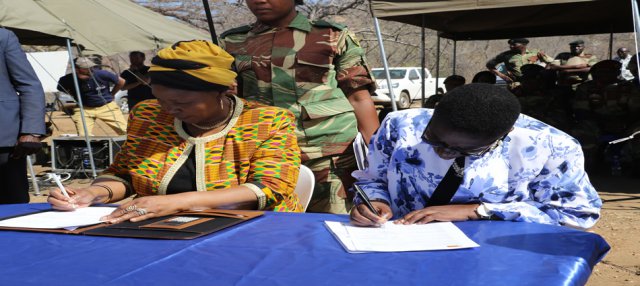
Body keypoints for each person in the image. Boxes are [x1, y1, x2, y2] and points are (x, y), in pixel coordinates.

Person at [48, 40, 303, 220]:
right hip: (161, 228)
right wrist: (94, 192)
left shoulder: (266, 121)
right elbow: (124, 174)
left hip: (254, 228)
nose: (169, 110)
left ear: (225, 90)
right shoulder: (148, 115)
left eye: (183, 103)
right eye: (162, 100)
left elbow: (271, 187)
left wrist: (176, 202)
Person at [350, 83, 601, 229]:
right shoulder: (401, 125)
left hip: (491, 256)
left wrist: (477, 211)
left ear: (504, 135)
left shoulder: (553, 147)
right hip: (398, 246)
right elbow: (373, 179)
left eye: (465, 151)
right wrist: (374, 201)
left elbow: (577, 214)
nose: (443, 153)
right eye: (434, 139)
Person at [219, 0, 379, 214]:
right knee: (269, 230)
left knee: (336, 226)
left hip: (329, 157)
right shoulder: (231, 42)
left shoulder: (332, 36)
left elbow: (359, 97)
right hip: (264, 156)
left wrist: (379, 157)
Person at [0, 28, 46, 204]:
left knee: (9, 205)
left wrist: (32, 131)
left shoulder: (4, 37)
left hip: (3, 142)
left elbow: (29, 85)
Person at [57, 57, 127, 136]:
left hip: (107, 107)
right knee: (84, 136)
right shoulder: (68, 79)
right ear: (77, 69)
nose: (90, 69)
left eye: (91, 66)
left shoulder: (102, 74)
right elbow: (60, 87)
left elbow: (121, 81)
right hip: (84, 109)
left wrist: (112, 93)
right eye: (86, 68)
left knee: (125, 131)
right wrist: (73, 94)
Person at [485, 38, 553, 88]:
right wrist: (503, 76)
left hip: (534, 84)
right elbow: (489, 65)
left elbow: (551, 62)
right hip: (516, 85)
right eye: (510, 44)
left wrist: (544, 72)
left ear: (523, 45)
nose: (511, 46)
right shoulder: (505, 55)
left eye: (514, 44)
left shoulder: (535, 53)